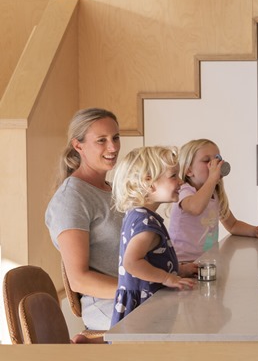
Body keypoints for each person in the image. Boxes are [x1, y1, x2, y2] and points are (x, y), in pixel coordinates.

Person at [45, 108, 124, 331]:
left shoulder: (113, 190)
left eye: (116, 138)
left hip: (133, 297)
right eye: (101, 140)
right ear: (78, 146)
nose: (113, 147)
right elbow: (79, 279)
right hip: (109, 307)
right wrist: (140, 288)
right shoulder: (72, 198)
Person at [110, 146, 196, 326]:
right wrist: (167, 278)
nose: (181, 181)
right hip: (143, 309)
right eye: (173, 176)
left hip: (145, 305)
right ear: (148, 182)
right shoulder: (146, 224)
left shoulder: (137, 214)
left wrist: (180, 270)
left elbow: (153, 261)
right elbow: (131, 263)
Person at [169, 139, 258, 262]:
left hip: (206, 261)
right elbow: (195, 208)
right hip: (182, 263)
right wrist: (212, 178)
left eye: (217, 159)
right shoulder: (184, 191)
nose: (215, 165)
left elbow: (233, 225)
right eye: (206, 160)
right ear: (189, 170)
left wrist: (255, 231)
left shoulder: (214, 194)